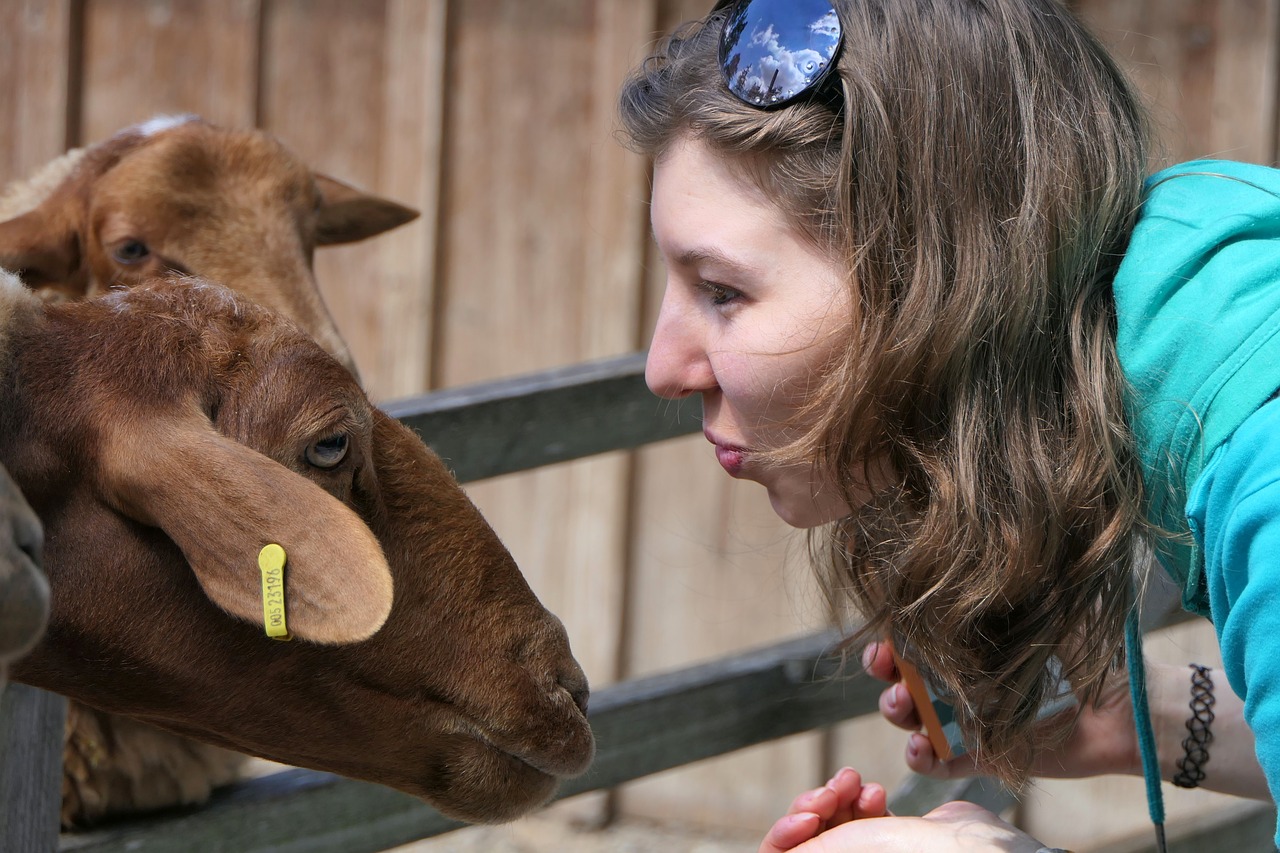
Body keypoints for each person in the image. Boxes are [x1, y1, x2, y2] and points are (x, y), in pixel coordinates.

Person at [618, 0, 1280, 849]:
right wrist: (1137, 714)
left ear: (933, 280)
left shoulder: (1261, 455)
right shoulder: (1196, 289)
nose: (662, 367)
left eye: (723, 291)